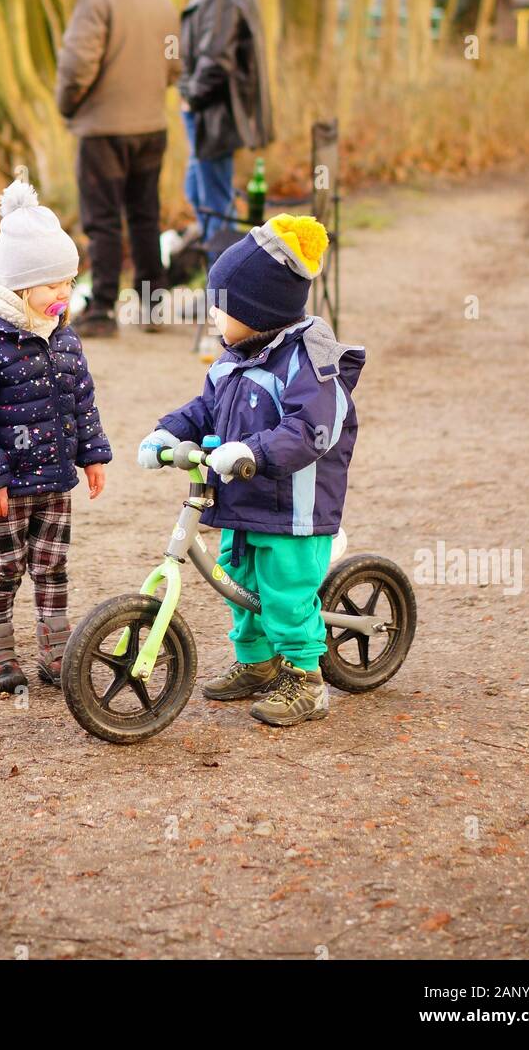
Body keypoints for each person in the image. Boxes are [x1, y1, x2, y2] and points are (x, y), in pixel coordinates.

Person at [137, 214, 365, 727]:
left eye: (222, 307)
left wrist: (253, 453)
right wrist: (169, 433)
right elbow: (205, 408)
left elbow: (312, 430)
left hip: (292, 510)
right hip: (241, 503)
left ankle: (306, 679)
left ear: (258, 311)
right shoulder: (231, 359)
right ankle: (257, 665)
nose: (214, 316)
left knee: (284, 594)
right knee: (237, 586)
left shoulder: (308, 364)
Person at [0, 178, 112, 693]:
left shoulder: (61, 336)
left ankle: (56, 651)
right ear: (19, 287)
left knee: (52, 566)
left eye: (69, 282)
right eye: (51, 285)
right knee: (4, 567)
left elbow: (81, 400)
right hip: (4, 487)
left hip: (54, 479)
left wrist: (93, 454)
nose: (63, 294)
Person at [56, 0, 181, 337]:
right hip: (151, 126)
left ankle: (104, 309)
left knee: (103, 219)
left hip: (103, 130)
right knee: (146, 215)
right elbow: (175, 65)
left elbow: (76, 68)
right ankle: (152, 305)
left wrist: (68, 105)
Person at [167, 0, 273, 244]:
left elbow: (216, 59)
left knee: (215, 208)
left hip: (214, 116)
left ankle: (223, 289)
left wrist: (191, 97)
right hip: (216, 114)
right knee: (201, 195)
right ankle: (221, 281)